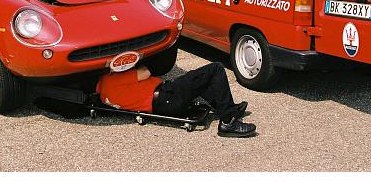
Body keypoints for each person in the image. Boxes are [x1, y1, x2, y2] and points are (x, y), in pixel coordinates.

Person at [97, 62, 256, 138]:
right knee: (216, 69)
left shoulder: (103, 94)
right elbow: (145, 72)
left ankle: (226, 108)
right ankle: (228, 121)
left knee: (200, 79)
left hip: (164, 103)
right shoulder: (112, 79)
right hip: (167, 96)